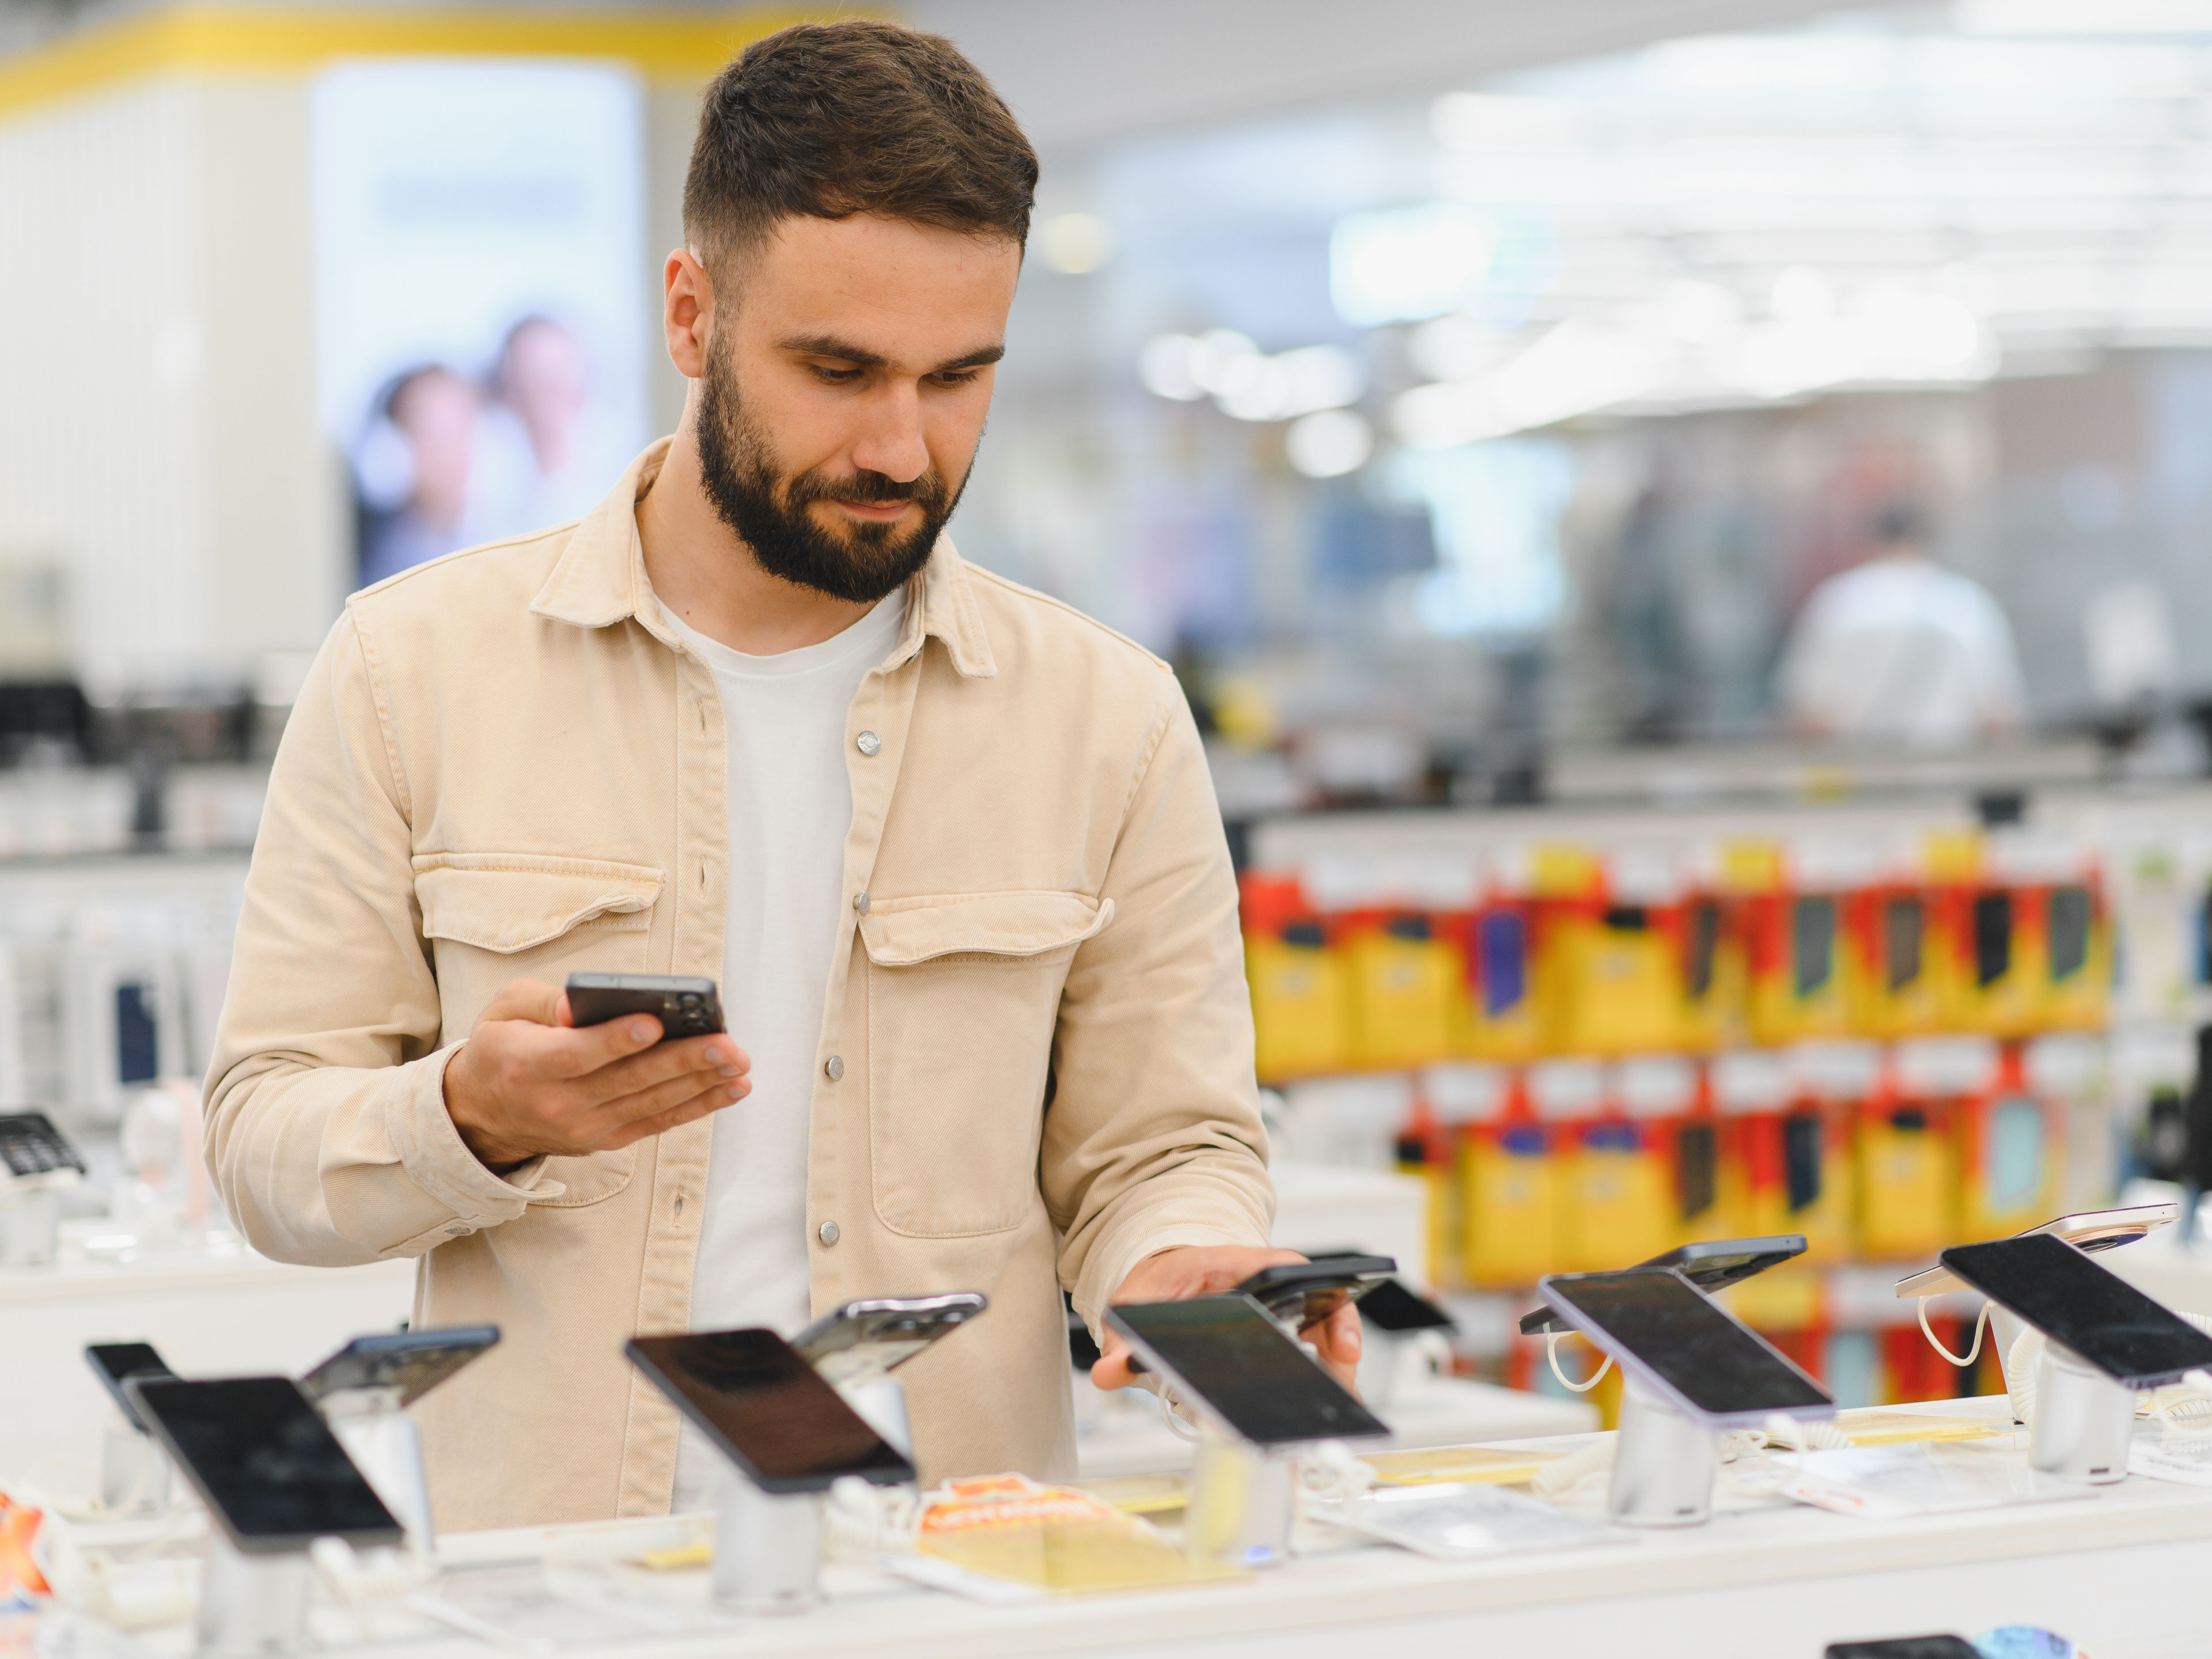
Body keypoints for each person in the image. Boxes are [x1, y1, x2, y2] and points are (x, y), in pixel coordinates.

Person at [204, 19, 1354, 1532]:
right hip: (568, 1585)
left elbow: (1165, 1145)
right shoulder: (409, 669)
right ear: (692, 313)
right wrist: (470, 1118)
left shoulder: (1109, 717)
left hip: (963, 1577)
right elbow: (263, 1142)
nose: (901, 444)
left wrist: (1183, 1267)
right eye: (837, 368)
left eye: (959, 378)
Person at [1774, 504, 2028, 748]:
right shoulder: (1967, 603)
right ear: (1927, 542)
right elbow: (1999, 715)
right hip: (1946, 773)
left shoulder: (1838, 600)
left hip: (1853, 776)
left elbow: (1805, 714)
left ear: (1868, 544)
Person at [355, 365, 480, 587]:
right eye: (435, 432)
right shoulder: (386, 565)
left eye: (460, 426)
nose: (454, 450)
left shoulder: (507, 530)